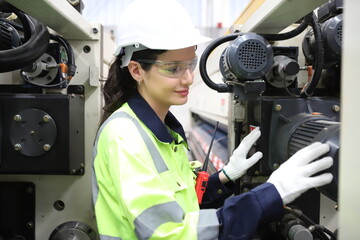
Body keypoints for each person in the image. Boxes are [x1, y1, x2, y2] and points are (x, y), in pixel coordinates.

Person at [92, 0, 334, 239]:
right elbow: (171, 233)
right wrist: (272, 193)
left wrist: (224, 176)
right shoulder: (124, 137)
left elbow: (180, 198)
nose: (188, 78)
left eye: (191, 64)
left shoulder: (161, 129)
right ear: (136, 71)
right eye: (173, 68)